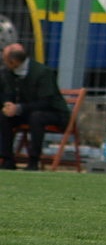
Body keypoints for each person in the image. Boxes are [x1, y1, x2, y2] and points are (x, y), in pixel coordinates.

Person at [0, 43, 70, 171]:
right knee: (5, 117)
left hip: (53, 113)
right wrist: (7, 105)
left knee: (37, 117)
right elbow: (5, 92)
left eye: (5, 60)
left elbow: (46, 102)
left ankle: (33, 161)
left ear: (14, 62)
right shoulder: (8, 73)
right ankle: (7, 159)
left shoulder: (43, 72)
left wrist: (19, 108)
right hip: (28, 111)